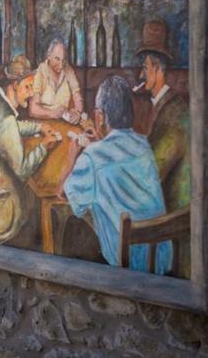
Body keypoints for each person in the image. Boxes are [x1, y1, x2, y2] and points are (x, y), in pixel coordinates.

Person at [60, 75, 171, 275]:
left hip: (123, 267)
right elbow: (116, 160)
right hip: (159, 261)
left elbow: (63, 194)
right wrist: (101, 142)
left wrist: (71, 158)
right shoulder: (144, 146)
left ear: (99, 117)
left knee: (72, 225)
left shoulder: (92, 158)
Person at [0, 55, 61, 246]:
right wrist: (44, 145)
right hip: (4, 220)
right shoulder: (7, 122)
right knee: (43, 204)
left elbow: (11, 128)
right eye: (27, 87)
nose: (31, 94)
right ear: (14, 85)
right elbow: (22, 170)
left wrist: (37, 127)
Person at [136, 20, 190, 212]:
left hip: (174, 214)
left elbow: (153, 174)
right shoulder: (167, 105)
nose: (141, 76)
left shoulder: (173, 113)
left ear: (158, 70)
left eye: (145, 68)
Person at [29, 38, 85, 124]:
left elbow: (78, 97)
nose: (61, 65)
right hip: (43, 123)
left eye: (63, 60)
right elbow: (33, 109)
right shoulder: (41, 72)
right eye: (57, 59)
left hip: (64, 123)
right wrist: (52, 113)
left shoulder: (68, 70)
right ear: (49, 56)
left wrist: (77, 111)